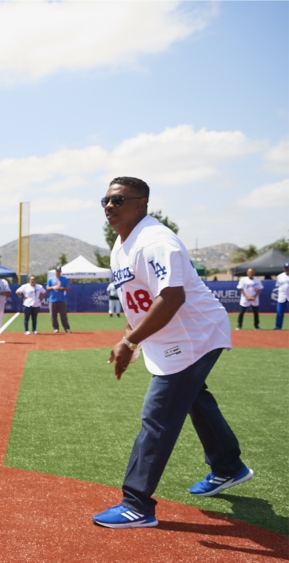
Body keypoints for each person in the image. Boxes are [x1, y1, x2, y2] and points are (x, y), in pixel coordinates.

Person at [95, 176, 251, 529]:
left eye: (118, 200)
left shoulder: (156, 240)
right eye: (104, 201)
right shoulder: (120, 247)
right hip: (171, 336)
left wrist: (130, 342)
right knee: (195, 399)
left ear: (141, 203)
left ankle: (136, 504)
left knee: (158, 415)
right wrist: (130, 338)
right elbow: (137, 304)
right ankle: (228, 467)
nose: (108, 206)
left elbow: (172, 297)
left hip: (194, 334)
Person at [46, 265, 71, 332]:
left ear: (61, 271)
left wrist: (60, 288)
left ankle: (66, 328)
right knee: (53, 315)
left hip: (62, 299)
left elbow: (67, 287)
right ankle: (56, 328)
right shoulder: (51, 279)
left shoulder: (64, 279)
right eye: (57, 271)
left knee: (63, 315)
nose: (58, 272)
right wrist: (53, 287)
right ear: (55, 271)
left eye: (59, 271)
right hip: (52, 299)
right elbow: (47, 288)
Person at [275, 262, 289, 331]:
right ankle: (278, 327)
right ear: (284, 268)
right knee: (279, 312)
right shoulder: (279, 276)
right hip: (282, 296)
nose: (287, 269)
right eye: (286, 268)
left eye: (288, 268)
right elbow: (278, 286)